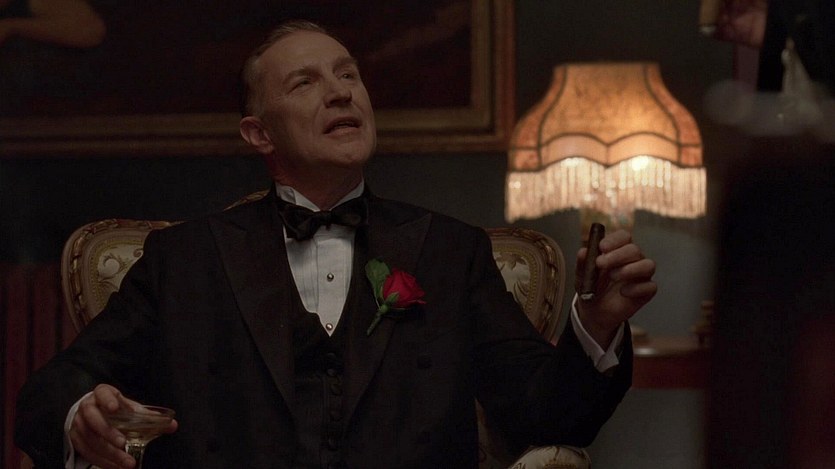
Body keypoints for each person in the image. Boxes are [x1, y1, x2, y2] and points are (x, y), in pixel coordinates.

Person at [15, 20, 656, 469]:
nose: (342, 90)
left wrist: (597, 323)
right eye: (305, 83)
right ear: (259, 134)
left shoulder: (450, 252)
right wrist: (81, 414)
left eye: (349, 74)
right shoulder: (183, 261)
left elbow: (548, 416)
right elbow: (51, 390)